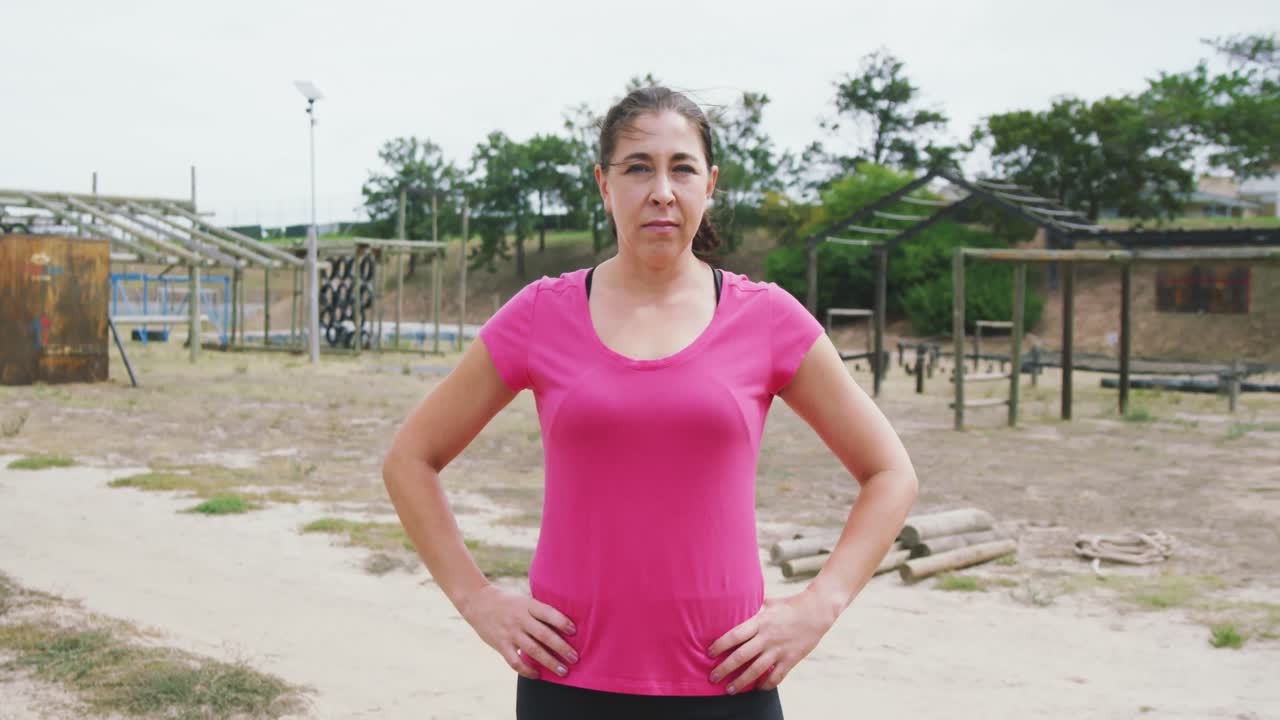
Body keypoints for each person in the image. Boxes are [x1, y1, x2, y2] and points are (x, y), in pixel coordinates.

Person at [383, 86, 918, 720]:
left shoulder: (768, 318)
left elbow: (890, 473)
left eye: (681, 167)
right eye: (638, 167)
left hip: (728, 686)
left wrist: (819, 606)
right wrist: (477, 600)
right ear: (604, 185)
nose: (661, 190)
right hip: (568, 684)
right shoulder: (539, 314)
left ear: (709, 183)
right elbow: (410, 459)